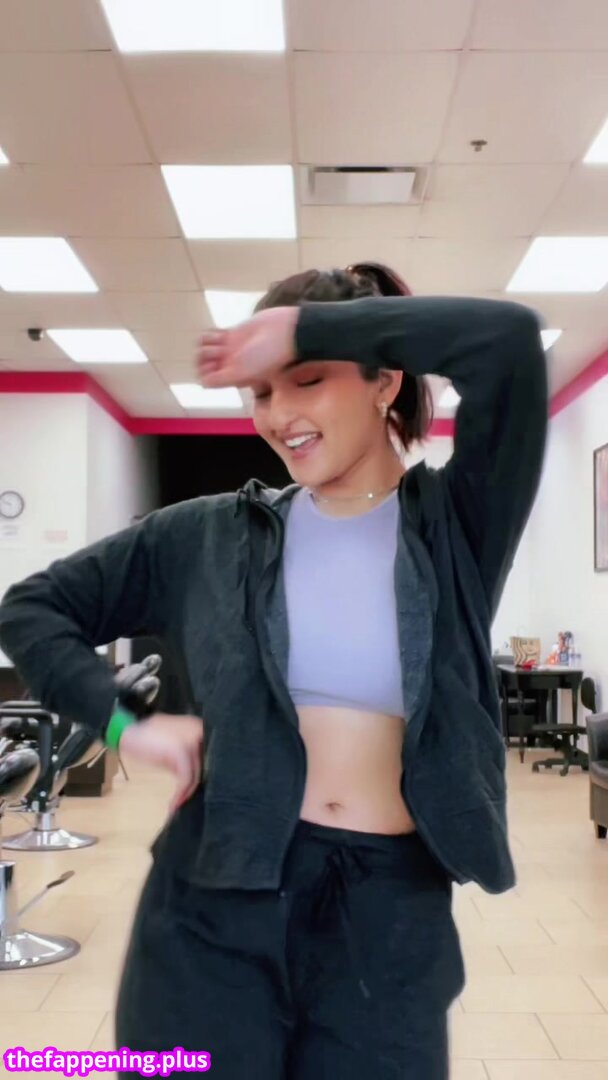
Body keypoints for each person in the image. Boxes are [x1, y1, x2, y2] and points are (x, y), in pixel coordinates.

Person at [0, 263, 548, 1079]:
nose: (279, 414)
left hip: (386, 914)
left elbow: (507, 344)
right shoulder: (207, 535)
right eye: (259, 392)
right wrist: (122, 722)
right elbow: (32, 609)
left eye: (308, 379)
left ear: (385, 380)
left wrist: (301, 327)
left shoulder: (455, 526)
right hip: (212, 902)